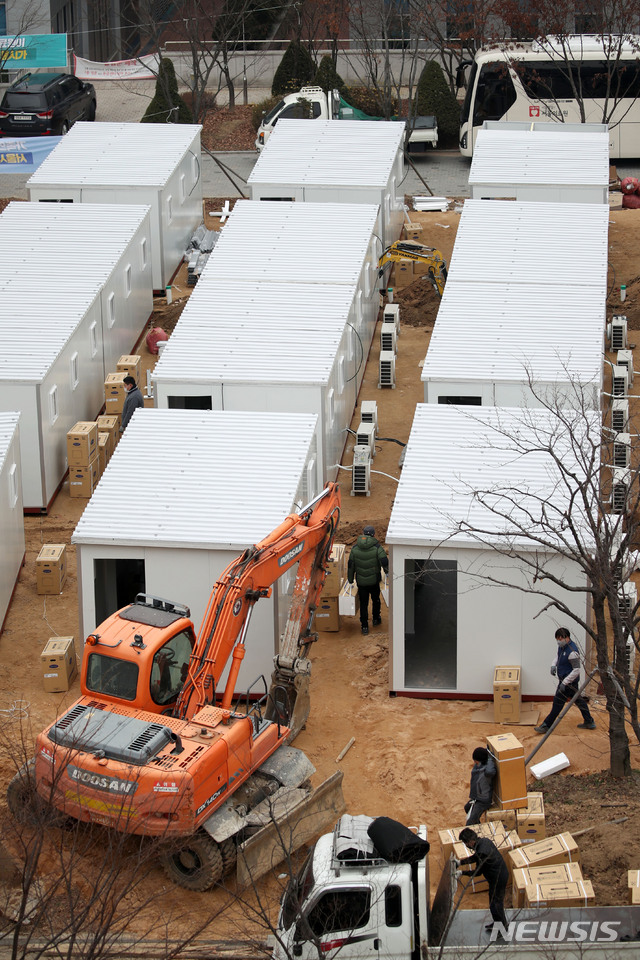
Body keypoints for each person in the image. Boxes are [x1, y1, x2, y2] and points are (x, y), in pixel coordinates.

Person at [535, 627, 596, 734]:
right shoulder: (562, 647)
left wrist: (564, 682)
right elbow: (558, 657)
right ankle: (589, 721)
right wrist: (553, 665)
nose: (558, 641)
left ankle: (546, 725)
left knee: (557, 704)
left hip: (568, 683)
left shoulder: (573, 652)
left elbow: (576, 670)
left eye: (560, 639)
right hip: (566, 682)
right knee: (579, 701)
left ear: (567, 638)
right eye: (557, 639)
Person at [456, 827, 508, 935]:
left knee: (495, 904)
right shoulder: (484, 842)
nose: (466, 845)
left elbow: (477, 872)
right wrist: (460, 863)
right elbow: (475, 857)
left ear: (470, 842)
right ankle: (498, 923)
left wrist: (462, 873)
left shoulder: (482, 852)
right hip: (498, 875)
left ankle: (502, 928)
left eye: (465, 843)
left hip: (498, 878)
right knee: (494, 902)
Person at [347, 525, 389, 635]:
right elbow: (384, 561)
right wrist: (387, 572)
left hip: (361, 582)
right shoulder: (377, 547)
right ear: (374, 534)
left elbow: (351, 565)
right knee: (376, 600)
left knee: (364, 604)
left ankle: (364, 627)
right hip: (374, 581)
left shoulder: (355, 549)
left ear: (363, 534)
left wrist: (350, 579)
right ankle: (376, 619)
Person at [464, 747, 496, 825]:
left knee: (470, 822)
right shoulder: (478, 766)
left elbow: (490, 772)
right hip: (476, 798)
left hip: (483, 801)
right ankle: (478, 825)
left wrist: (489, 759)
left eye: (476, 761)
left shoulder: (487, 770)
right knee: (467, 808)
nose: (474, 762)